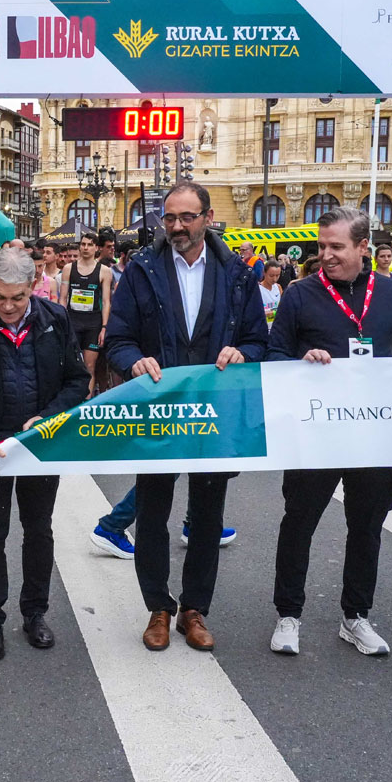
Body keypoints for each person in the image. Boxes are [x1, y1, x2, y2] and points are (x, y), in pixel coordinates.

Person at [103, 181, 269, 653]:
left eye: (186, 217)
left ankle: (194, 610)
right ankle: (158, 607)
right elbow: (118, 339)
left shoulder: (237, 274)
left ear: (208, 218)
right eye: (169, 218)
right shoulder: (142, 270)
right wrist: (134, 361)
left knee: (208, 515)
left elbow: (259, 340)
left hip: (215, 412)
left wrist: (243, 353)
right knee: (153, 512)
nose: (176, 226)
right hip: (158, 410)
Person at [264, 208, 392, 657]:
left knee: (367, 528)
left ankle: (356, 616)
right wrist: (299, 362)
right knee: (298, 524)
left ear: (362, 248)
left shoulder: (391, 292)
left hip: (374, 434)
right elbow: (274, 355)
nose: (326, 255)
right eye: (322, 247)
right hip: (315, 434)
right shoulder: (300, 294)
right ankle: (288, 614)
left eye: (336, 247)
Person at [0, 248, 90, 660]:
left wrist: (48, 419)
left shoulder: (55, 318)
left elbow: (77, 381)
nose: (8, 307)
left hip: (38, 444)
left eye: (18, 298)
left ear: (33, 287)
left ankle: (35, 613)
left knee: (38, 529)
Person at [61, 231, 111, 396]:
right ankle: (72, 401)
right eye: (83, 244)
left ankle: (87, 402)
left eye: (90, 245)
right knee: (72, 365)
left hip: (93, 324)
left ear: (96, 248)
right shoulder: (69, 268)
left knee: (90, 366)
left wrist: (104, 327)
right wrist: (62, 322)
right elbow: (63, 298)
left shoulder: (104, 271)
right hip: (72, 321)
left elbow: (106, 301)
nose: (85, 248)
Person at [257, 260, 282, 327]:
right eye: (271, 275)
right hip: (262, 327)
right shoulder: (258, 289)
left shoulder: (278, 287)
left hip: (276, 327)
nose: (274, 279)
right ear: (264, 273)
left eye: (277, 275)